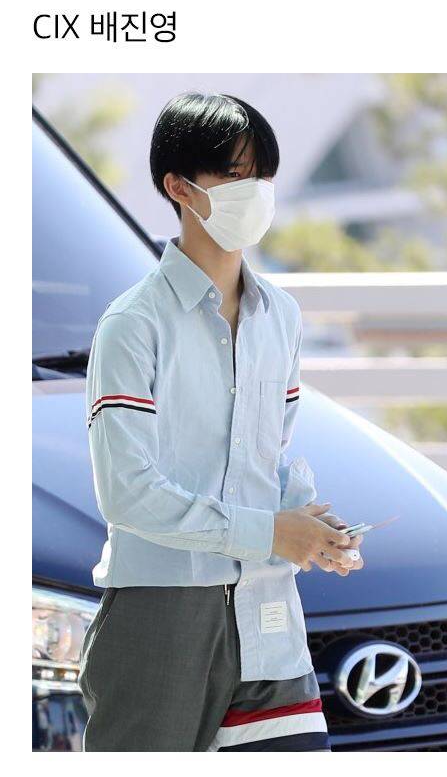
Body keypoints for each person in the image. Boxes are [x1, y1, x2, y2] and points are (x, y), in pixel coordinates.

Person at [78, 92, 365, 752]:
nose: (255, 192)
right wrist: (269, 531)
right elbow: (127, 494)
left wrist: (314, 529)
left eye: (262, 175)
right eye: (235, 175)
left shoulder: (281, 316)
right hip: (163, 613)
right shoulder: (133, 325)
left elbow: (269, 458)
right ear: (178, 186)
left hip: (269, 611)